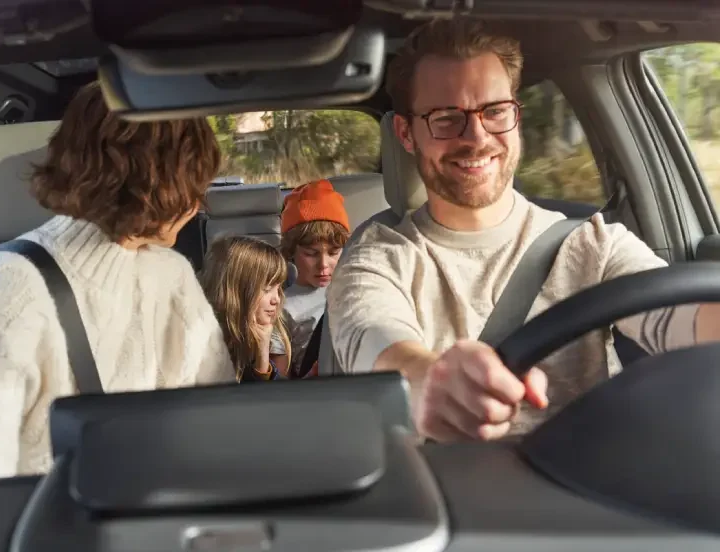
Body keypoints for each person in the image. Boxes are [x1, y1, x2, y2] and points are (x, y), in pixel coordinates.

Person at [327, 18, 720, 442]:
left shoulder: (595, 244)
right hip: (444, 496)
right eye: (445, 118)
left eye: (494, 111)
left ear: (515, 117)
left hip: (584, 490)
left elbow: (682, 318)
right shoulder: (376, 257)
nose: (477, 137)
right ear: (407, 134)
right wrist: (425, 381)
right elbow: (376, 341)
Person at [0, 82, 235, 483]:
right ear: (157, 181)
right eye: (193, 181)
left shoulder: (174, 274)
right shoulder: (10, 282)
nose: (198, 202)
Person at [279, 179, 350, 377]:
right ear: (291, 251)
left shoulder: (353, 288)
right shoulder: (282, 306)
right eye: (311, 254)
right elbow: (281, 378)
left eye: (334, 252)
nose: (323, 264)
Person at [200, 235, 292, 382]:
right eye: (267, 289)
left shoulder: (262, 334)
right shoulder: (204, 348)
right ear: (237, 291)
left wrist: (262, 356)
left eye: (278, 287)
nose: (277, 299)